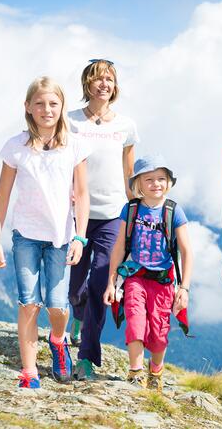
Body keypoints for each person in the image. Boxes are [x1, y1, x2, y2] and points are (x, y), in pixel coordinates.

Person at [0, 76, 90, 388]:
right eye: (40, 103)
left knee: (58, 306)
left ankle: (58, 341)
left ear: (62, 108)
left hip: (61, 238)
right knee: (29, 303)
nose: (47, 109)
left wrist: (80, 237)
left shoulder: (73, 145)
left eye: (53, 104)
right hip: (26, 236)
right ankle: (30, 372)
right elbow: (2, 196)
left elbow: (83, 194)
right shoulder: (15, 147)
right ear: (28, 108)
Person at [67, 59, 139, 380]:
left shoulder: (126, 126)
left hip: (113, 216)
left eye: (109, 79)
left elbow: (129, 173)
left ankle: (85, 358)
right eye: (97, 79)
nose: (104, 84)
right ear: (87, 85)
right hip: (75, 217)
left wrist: (136, 212)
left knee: (100, 285)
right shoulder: (70, 122)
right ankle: (77, 314)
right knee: (75, 287)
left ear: (115, 85)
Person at [103, 155, 194, 392]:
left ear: (169, 182)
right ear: (138, 184)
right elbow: (120, 247)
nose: (156, 184)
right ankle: (135, 371)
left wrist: (184, 288)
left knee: (159, 331)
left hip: (163, 281)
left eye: (161, 179)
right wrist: (112, 282)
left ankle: (156, 370)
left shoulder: (174, 211)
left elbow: (186, 251)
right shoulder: (131, 209)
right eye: (149, 179)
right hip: (135, 277)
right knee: (135, 321)